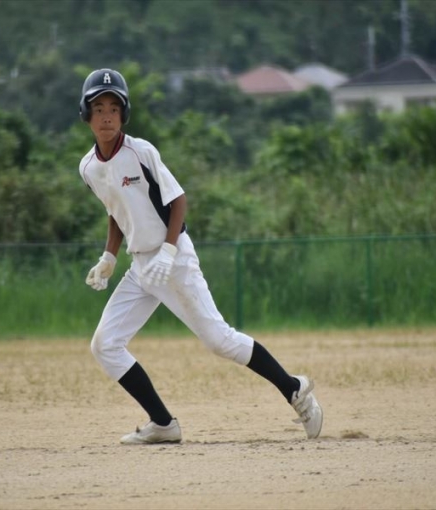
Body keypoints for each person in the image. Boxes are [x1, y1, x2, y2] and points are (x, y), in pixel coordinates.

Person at [77, 68, 323, 444]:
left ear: (124, 114)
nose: (106, 116)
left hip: (172, 258)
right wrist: (108, 257)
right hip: (141, 266)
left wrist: (169, 250)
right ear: (86, 114)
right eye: (98, 108)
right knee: (105, 345)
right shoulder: (89, 167)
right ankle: (163, 424)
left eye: (114, 108)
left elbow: (178, 200)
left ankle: (295, 389)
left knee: (219, 340)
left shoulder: (140, 152)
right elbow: (116, 209)